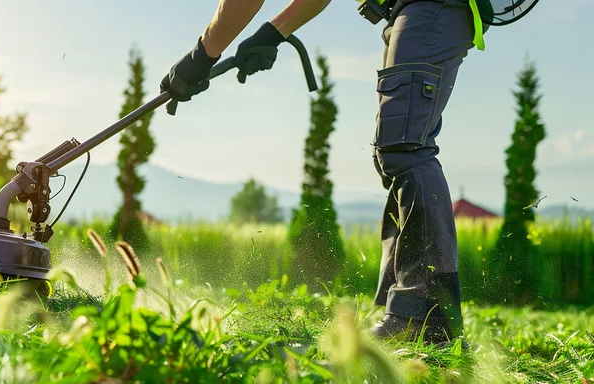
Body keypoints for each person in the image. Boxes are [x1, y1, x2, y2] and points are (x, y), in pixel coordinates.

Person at [160, 0, 487, 345]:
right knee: (394, 151)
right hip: (420, 9)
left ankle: (425, 318)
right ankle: (411, 309)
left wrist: (201, 56)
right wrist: (273, 32)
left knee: (405, 146)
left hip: (434, 5)